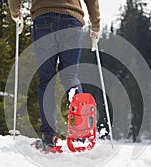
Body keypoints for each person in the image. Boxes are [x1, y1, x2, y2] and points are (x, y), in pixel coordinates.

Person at [8, 0, 101, 151]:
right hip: (72, 20)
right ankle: (81, 127)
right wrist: (95, 23)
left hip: (43, 18)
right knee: (70, 76)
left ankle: (49, 138)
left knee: (47, 79)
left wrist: (15, 11)